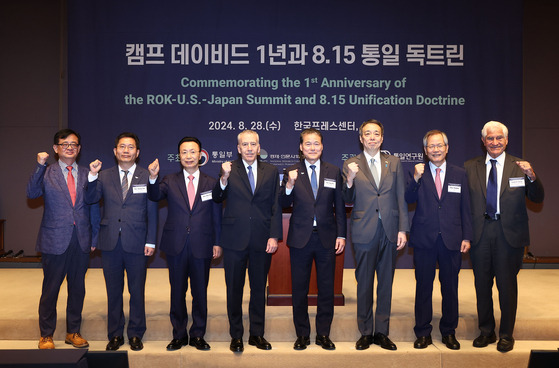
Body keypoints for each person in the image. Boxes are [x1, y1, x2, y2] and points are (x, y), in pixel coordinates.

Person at [465, 121, 544, 352]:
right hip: (480, 233)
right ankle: (486, 331)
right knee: (482, 285)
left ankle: (507, 334)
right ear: (483, 141)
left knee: (507, 286)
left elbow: (538, 198)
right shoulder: (470, 167)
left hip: (508, 234)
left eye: (499, 138)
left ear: (506, 140)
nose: (495, 142)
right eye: (490, 138)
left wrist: (532, 176)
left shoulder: (520, 166)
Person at [27, 128, 99, 350]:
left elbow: (94, 206)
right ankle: (46, 335)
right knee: (51, 289)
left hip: (81, 239)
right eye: (65, 144)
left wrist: (93, 237)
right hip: (54, 239)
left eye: (74, 144)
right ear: (56, 148)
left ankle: (73, 332)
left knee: (77, 288)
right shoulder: (47, 172)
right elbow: (31, 193)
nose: (70, 147)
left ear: (79, 149)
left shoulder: (88, 172)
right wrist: (39, 165)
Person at [147, 136, 222, 351]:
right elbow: (154, 196)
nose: (188, 156)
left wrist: (217, 241)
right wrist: (153, 177)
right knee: (177, 291)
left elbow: (217, 215)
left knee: (200, 292)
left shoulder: (211, 182)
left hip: (203, 243)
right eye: (184, 152)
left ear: (201, 155)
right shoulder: (169, 180)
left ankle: (198, 334)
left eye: (192, 152)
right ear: (179, 156)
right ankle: (178, 335)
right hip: (176, 244)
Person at [85, 132, 157, 351]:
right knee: (113, 291)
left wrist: (151, 240)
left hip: (137, 241)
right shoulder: (103, 175)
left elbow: (153, 210)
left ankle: (136, 334)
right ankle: (115, 334)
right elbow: (91, 200)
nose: (126, 151)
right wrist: (91, 177)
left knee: (137, 290)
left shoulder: (147, 176)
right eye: (122, 147)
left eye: (131, 147)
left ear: (138, 152)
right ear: (115, 151)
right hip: (110, 242)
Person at [212, 130, 282, 353]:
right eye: (245, 145)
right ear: (239, 148)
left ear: (259, 148)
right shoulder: (228, 169)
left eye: (253, 144)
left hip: (262, 238)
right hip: (234, 239)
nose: (250, 148)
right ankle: (236, 335)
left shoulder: (271, 171)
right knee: (234, 289)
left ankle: (256, 334)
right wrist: (222, 178)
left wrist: (274, 235)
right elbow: (217, 197)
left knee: (258, 289)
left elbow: (275, 206)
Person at [342, 119, 408, 351]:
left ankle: (382, 332)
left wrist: (402, 229)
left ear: (382, 138)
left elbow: (400, 197)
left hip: (389, 229)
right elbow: (346, 200)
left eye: (376, 134)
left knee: (386, 284)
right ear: (360, 138)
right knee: (364, 283)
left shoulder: (395, 162)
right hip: (364, 230)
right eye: (367, 134)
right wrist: (349, 179)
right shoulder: (350, 164)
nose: (371, 137)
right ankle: (365, 332)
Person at [405, 130, 472, 350]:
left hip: (452, 239)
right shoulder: (418, 173)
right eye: (431, 146)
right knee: (424, 286)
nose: (435, 149)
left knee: (450, 288)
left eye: (439, 145)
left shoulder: (460, 174)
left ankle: (448, 332)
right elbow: (408, 199)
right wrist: (414, 179)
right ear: (425, 150)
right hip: (425, 239)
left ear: (447, 147)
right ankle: (423, 332)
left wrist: (467, 236)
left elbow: (466, 209)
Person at [279, 128, 346, 351]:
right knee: (300, 289)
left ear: (322, 146)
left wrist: (341, 234)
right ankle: (302, 335)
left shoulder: (333, 171)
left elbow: (339, 205)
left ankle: (323, 334)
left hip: (327, 238)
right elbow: (281, 203)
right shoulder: (291, 171)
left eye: (316, 144)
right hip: (300, 239)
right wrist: (288, 185)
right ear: (301, 147)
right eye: (308, 144)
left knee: (326, 289)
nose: (312, 148)